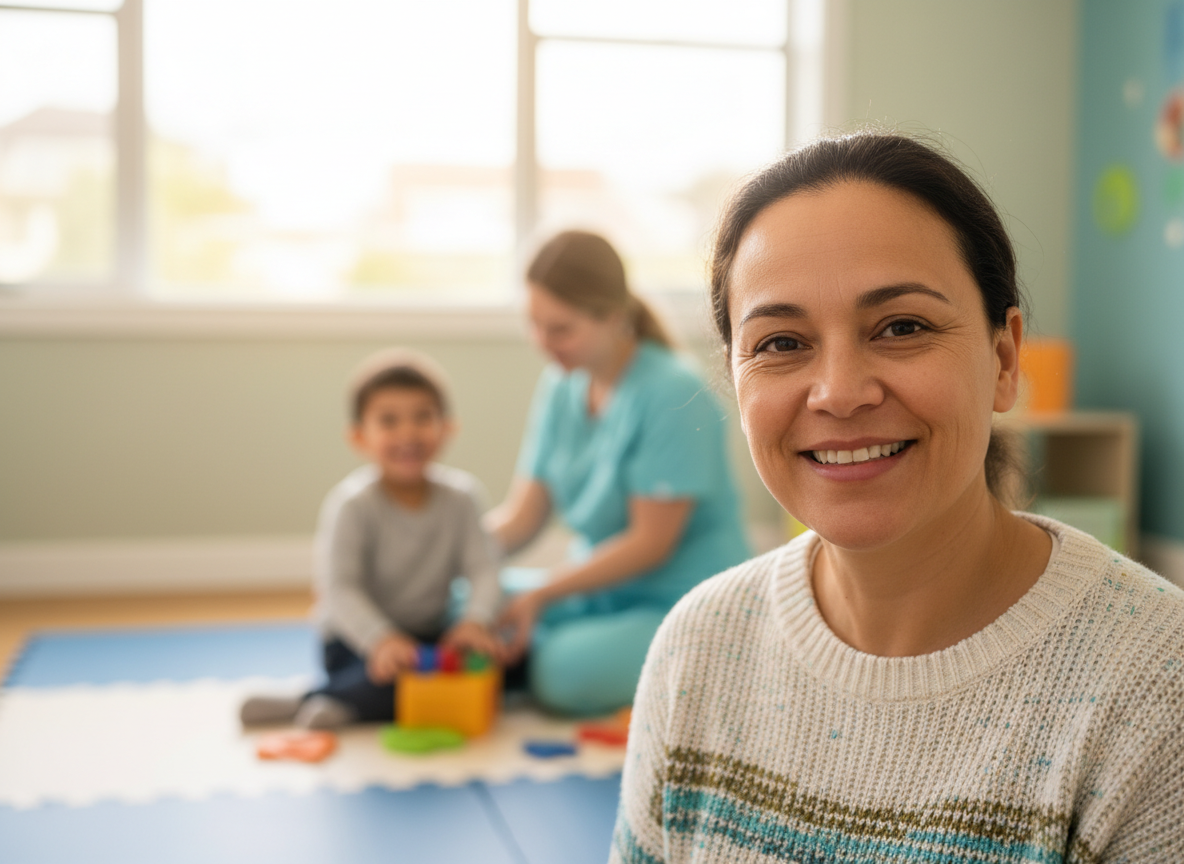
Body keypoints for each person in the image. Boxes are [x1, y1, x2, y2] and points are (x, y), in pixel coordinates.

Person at [612, 133, 1184, 862]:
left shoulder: (1157, 687)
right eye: (781, 344)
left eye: (903, 327)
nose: (840, 393)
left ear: (1004, 357)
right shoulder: (698, 649)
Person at [487, 230, 752, 716]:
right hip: (597, 590)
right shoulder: (562, 385)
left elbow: (650, 544)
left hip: (678, 601)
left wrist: (542, 593)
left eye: (560, 329)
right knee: (456, 598)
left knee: (563, 671)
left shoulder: (673, 392)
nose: (542, 344)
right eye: (534, 325)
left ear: (612, 317)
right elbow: (523, 518)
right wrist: (442, 550)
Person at [240, 349, 501, 729]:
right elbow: (339, 589)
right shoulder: (352, 505)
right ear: (359, 436)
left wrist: (476, 621)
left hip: (428, 637)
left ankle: (343, 699)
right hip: (355, 641)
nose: (408, 433)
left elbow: (484, 569)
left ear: (447, 427)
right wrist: (381, 640)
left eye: (422, 417)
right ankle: (315, 700)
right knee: (390, 679)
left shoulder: (463, 498)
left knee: (504, 662)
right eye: (389, 421)